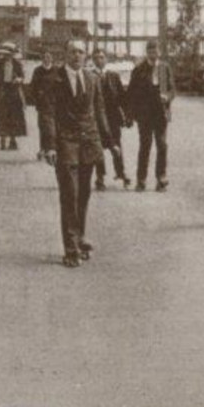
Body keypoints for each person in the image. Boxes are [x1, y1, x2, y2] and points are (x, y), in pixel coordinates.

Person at [40, 41, 111, 268]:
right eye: (72, 52)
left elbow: (99, 111)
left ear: (86, 55)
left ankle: (80, 238)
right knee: (69, 194)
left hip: (88, 143)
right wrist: (49, 145)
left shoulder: (92, 79)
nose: (76, 56)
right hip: (65, 144)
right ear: (65, 54)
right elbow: (47, 115)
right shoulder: (53, 80)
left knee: (83, 194)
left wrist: (110, 141)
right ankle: (70, 248)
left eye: (81, 52)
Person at [125, 39, 175, 190]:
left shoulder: (165, 68)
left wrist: (167, 96)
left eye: (156, 51)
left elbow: (173, 89)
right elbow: (131, 94)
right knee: (145, 146)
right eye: (151, 51)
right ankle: (141, 180)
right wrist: (130, 115)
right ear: (147, 52)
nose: (154, 53)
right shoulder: (139, 69)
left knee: (162, 145)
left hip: (161, 114)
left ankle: (161, 179)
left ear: (160, 52)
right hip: (145, 116)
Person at [90, 48, 130, 190]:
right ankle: (100, 178)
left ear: (106, 59)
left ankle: (121, 173)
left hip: (113, 118)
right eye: (96, 57)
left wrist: (127, 115)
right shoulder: (90, 76)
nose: (99, 60)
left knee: (116, 145)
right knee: (98, 148)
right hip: (96, 119)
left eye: (101, 57)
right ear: (93, 60)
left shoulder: (113, 76)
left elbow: (122, 98)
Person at [30, 47, 67, 163]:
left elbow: (63, 85)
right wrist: (37, 97)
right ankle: (44, 148)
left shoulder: (57, 70)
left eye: (49, 57)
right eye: (44, 57)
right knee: (43, 126)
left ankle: (52, 148)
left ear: (52, 58)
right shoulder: (37, 71)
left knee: (54, 126)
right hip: (43, 103)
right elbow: (33, 87)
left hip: (55, 103)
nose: (47, 59)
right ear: (41, 58)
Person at [0, 43, 28, 150]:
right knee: (1, 114)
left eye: (8, 54)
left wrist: (18, 79)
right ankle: (2, 138)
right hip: (2, 89)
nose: (6, 56)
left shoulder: (17, 63)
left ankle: (13, 139)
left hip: (14, 90)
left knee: (14, 115)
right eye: (5, 54)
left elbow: (22, 76)